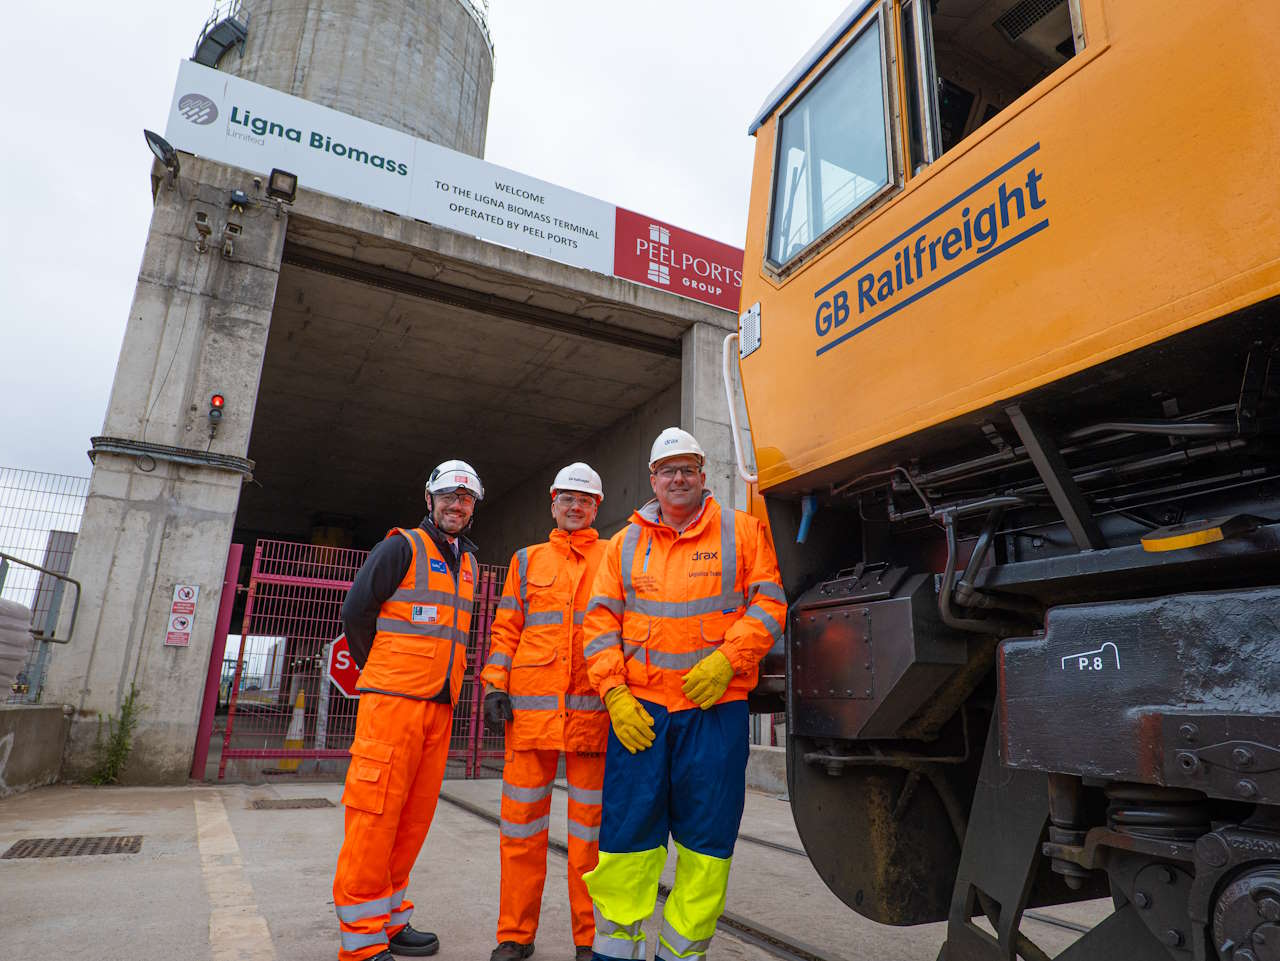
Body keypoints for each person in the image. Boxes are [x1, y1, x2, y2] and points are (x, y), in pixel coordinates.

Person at [581, 428, 786, 961]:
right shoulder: (623, 544)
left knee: (706, 844)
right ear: (652, 479)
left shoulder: (742, 533)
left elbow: (769, 604)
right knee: (627, 843)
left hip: (714, 712)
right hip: (640, 715)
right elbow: (599, 623)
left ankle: (681, 954)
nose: (678, 477)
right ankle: (615, 952)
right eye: (668, 469)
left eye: (688, 468)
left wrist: (729, 660)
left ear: (703, 474)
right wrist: (614, 694)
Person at [332, 460, 484, 961]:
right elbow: (357, 611)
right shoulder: (401, 547)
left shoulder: (469, 563)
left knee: (411, 822)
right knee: (374, 820)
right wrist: (381, 671)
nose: (456, 505)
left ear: (473, 506)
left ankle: (392, 920)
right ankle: (360, 941)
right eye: (448, 496)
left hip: (439, 710)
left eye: (465, 499)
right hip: (392, 707)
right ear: (429, 499)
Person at [481, 463, 611, 961]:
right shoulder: (526, 561)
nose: (575, 507)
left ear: (596, 506)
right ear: (553, 503)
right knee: (520, 832)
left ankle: (590, 940)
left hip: (592, 720)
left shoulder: (612, 557)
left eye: (584, 500)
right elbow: (507, 628)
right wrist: (495, 685)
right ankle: (514, 935)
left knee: (590, 840)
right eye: (567, 499)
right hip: (529, 720)